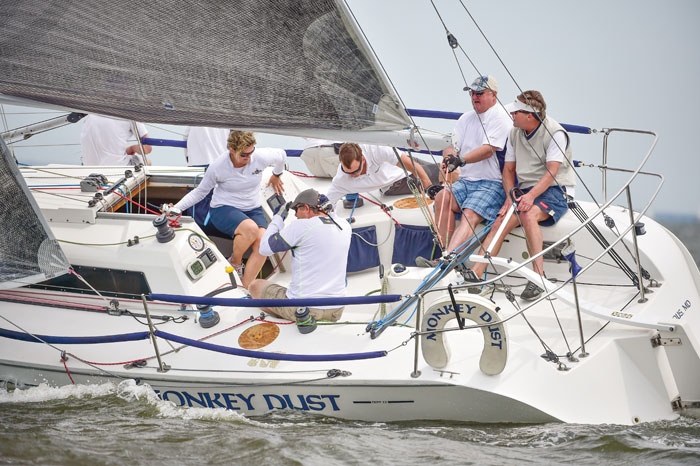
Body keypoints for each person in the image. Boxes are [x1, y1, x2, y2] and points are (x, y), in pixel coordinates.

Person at [469, 90, 576, 300]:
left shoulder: (555, 133)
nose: (511, 115)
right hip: (526, 189)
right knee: (501, 221)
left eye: (515, 112)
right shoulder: (514, 133)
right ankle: (476, 274)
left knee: (528, 215)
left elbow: (552, 172)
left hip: (556, 189)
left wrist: (529, 197)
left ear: (530, 115)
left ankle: (538, 277)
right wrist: (510, 198)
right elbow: (508, 170)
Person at [171, 130, 286, 288]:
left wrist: (276, 175)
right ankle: (235, 263)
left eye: (251, 152)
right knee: (250, 228)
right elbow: (200, 192)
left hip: (252, 208)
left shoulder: (259, 156)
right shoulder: (218, 166)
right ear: (232, 150)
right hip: (222, 208)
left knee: (263, 244)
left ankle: (244, 289)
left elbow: (282, 155)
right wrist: (177, 209)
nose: (249, 157)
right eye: (244, 155)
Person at [428, 75, 512, 258]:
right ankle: (443, 254)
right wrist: (450, 157)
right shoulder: (465, 118)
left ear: (494, 95)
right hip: (466, 181)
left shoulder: (501, 118)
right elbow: (450, 144)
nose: (475, 97)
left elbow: (488, 150)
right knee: (442, 197)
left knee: (469, 213)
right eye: (472, 93)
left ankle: (447, 259)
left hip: (493, 183)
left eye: (480, 93)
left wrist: (461, 160)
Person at [249, 188, 352, 321]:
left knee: (255, 286)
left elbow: (264, 248)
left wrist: (278, 218)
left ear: (306, 208)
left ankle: (283, 318)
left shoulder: (300, 226)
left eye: (296, 210)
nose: (295, 215)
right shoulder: (344, 225)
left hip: (306, 311)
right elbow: (332, 216)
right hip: (336, 310)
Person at [325, 142, 435, 205]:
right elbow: (327, 203)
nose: (351, 175)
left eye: (355, 171)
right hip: (396, 183)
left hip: (404, 163)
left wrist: (429, 187)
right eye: (347, 171)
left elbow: (411, 165)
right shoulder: (341, 179)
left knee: (447, 169)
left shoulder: (375, 149)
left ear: (363, 159)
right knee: (446, 173)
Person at [80, 114, 152, 166]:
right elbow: (147, 149)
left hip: (87, 167)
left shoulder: (90, 113)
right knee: (147, 162)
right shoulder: (131, 114)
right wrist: (132, 148)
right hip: (117, 167)